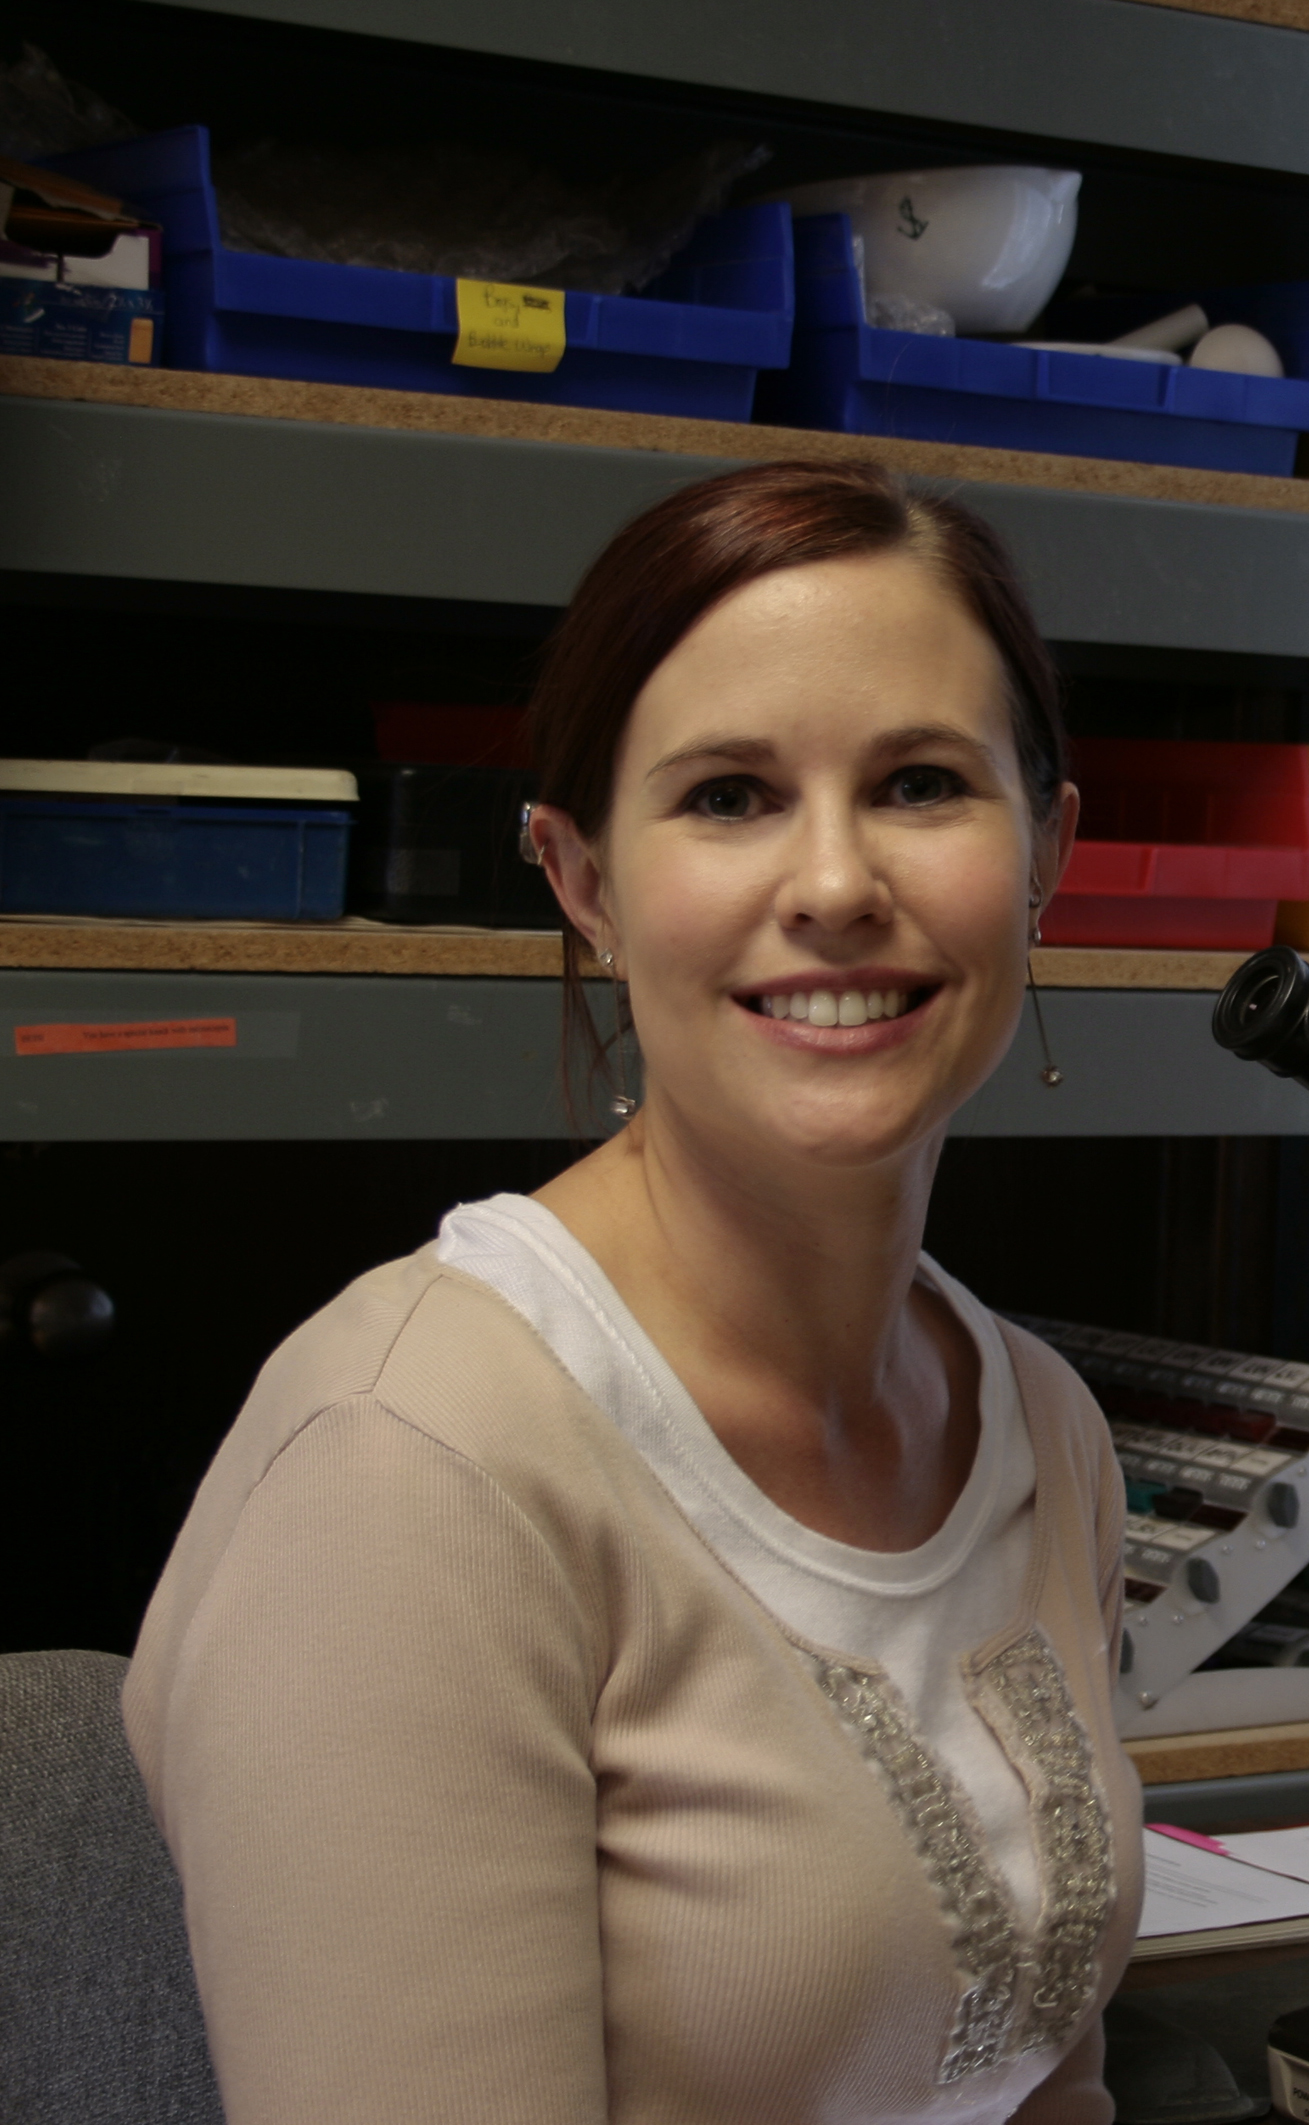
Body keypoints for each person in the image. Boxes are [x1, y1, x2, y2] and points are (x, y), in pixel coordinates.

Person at [124, 461, 1144, 2125]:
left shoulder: (1038, 1422)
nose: (830, 883)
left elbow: (1050, 2081)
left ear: (1046, 851)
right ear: (582, 878)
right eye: (730, 794)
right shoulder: (409, 1467)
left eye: (919, 783)